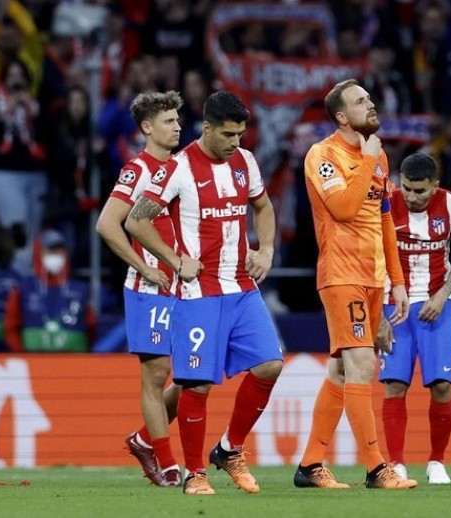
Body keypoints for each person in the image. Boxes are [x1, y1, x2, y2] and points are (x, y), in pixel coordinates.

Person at [125, 90, 283, 496]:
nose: (236, 142)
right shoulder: (177, 168)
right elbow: (137, 221)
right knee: (196, 385)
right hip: (198, 292)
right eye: (228, 134)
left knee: (270, 366)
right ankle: (195, 473)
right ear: (207, 128)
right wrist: (176, 260)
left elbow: (263, 207)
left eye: (241, 134)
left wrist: (265, 249)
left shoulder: (245, 162)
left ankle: (229, 449)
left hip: (242, 288)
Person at [294, 79, 415, 490]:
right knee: (364, 365)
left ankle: (310, 465)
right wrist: (368, 159)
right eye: (361, 101)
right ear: (343, 117)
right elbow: (344, 209)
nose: (371, 103)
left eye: (370, 96)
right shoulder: (323, 155)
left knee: (343, 371)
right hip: (341, 274)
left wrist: (397, 281)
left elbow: (384, 221)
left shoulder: (377, 159)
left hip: (373, 277)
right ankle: (377, 468)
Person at [96, 91, 183, 487]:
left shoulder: (184, 167)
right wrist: (142, 268)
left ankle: (146, 440)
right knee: (157, 373)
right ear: (147, 128)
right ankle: (166, 464)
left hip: (186, 286)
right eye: (169, 121)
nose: (178, 126)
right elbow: (107, 224)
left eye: (178, 120)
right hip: (149, 287)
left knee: (196, 375)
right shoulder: (137, 170)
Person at [378, 153, 451, 485]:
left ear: (434, 185)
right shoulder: (384, 201)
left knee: (442, 386)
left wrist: (443, 294)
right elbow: (370, 259)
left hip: (436, 303)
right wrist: (378, 314)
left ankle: (437, 462)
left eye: (420, 190)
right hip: (394, 305)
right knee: (394, 385)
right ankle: (397, 464)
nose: (412, 196)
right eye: (407, 188)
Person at [3, 229, 96, 352]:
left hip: (74, 364)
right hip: (33, 364)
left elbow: (92, 327)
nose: (56, 255)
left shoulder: (81, 289)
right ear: (38, 253)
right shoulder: (23, 288)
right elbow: (10, 328)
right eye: (51, 251)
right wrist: (23, 357)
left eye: (59, 251)